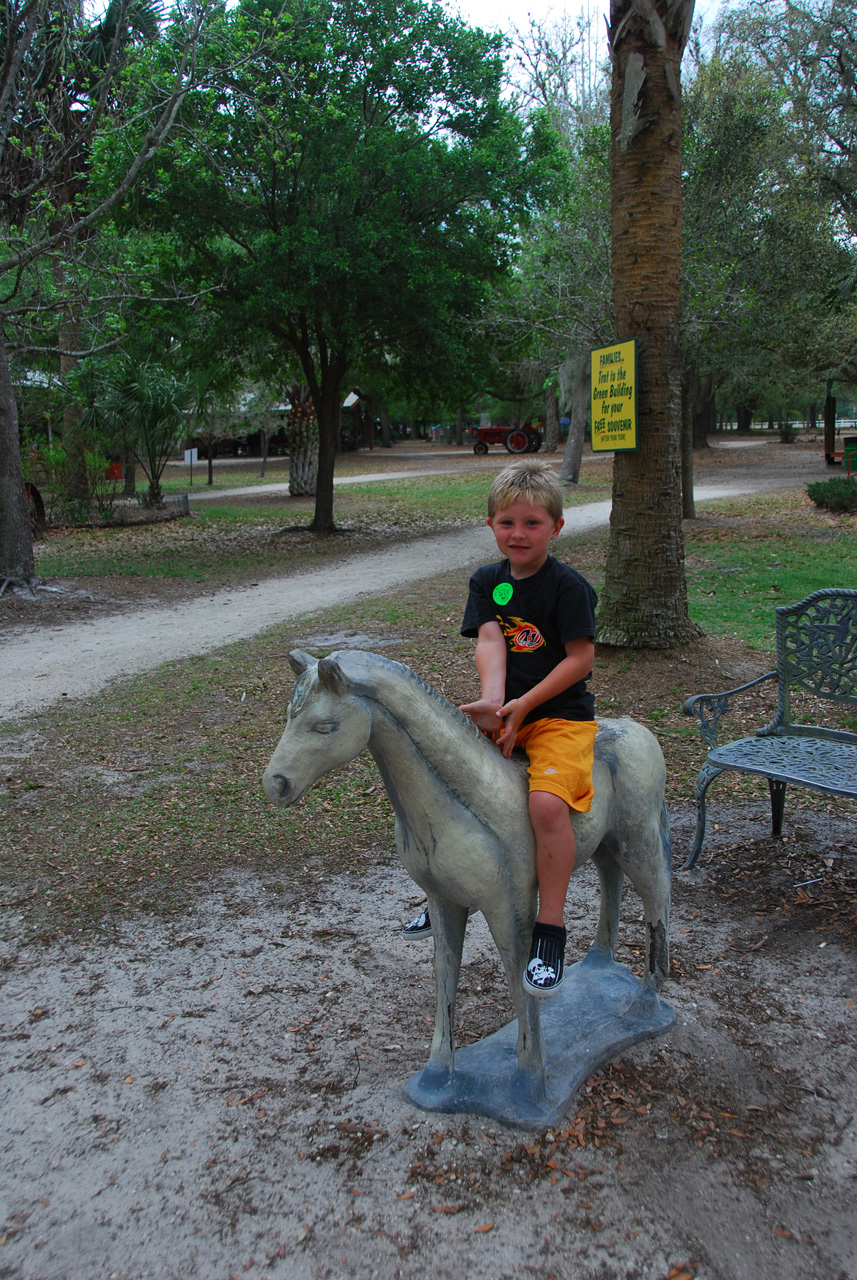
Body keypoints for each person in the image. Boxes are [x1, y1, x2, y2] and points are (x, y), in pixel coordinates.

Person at [402, 458, 597, 998]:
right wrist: (494, 700)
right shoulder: (487, 581)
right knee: (452, 784)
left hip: (560, 716)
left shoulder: (568, 588)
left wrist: (525, 703)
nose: (519, 534)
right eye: (507, 522)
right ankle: (447, 896)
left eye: (532, 523)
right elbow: (491, 641)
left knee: (546, 806)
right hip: (509, 711)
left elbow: (580, 660)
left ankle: (551, 926)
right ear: (490, 524)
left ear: (556, 527)